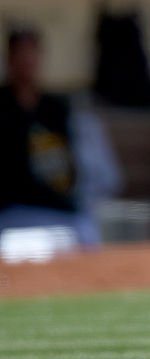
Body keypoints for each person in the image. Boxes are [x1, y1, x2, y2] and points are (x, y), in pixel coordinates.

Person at [0, 25, 122, 249]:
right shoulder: (4, 109)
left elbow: (72, 164)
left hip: (59, 209)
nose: (27, 60)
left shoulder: (55, 108)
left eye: (32, 53)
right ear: (9, 59)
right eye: (21, 53)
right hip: (14, 210)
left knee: (87, 233)